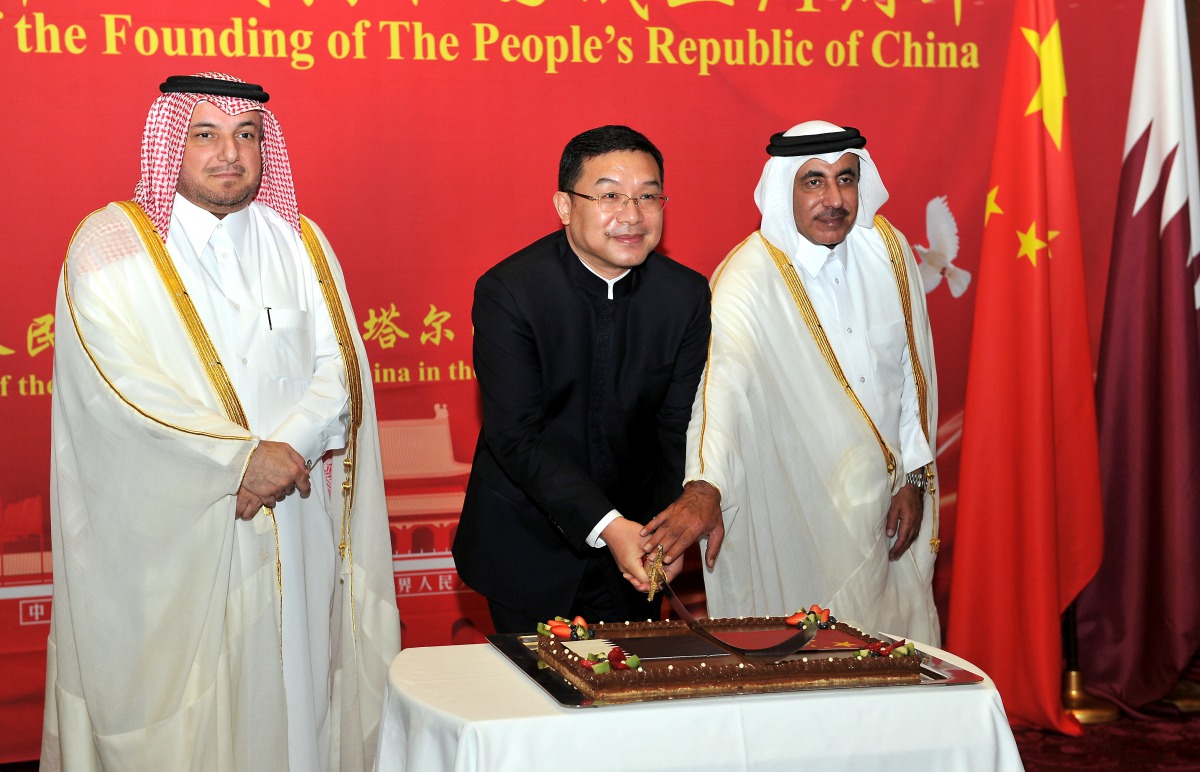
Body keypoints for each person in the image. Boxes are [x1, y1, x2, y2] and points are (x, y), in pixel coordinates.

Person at [41, 73, 400, 771]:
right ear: (170, 142)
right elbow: (121, 389)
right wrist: (237, 461)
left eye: (246, 135)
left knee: (298, 694)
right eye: (203, 135)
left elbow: (339, 365)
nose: (227, 153)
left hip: (294, 518)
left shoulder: (299, 241)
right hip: (176, 534)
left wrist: (285, 450)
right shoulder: (110, 246)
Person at [452, 125, 722, 634]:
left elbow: (674, 424)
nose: (631, 215)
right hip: (526, 547)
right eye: (609, 195)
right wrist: (609, 526)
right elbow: (517, 435)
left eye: (647, 196)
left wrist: (663, 534)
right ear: (563, 206)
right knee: (533, 703)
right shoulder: (510, 292)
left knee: (629, 700)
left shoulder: (685, 296)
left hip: (636, 553)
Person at [682, 121, 941, 644]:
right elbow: (722, 391)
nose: (835, 199)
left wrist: (913, 479)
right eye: (814, 182)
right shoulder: (748, 278)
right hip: (801, 510)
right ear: (784, 190)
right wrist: (705, 485)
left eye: (846, 179)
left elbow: (913, 377)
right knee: (809, 657)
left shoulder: (887, 251)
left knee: (897, 653)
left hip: (891, 507)